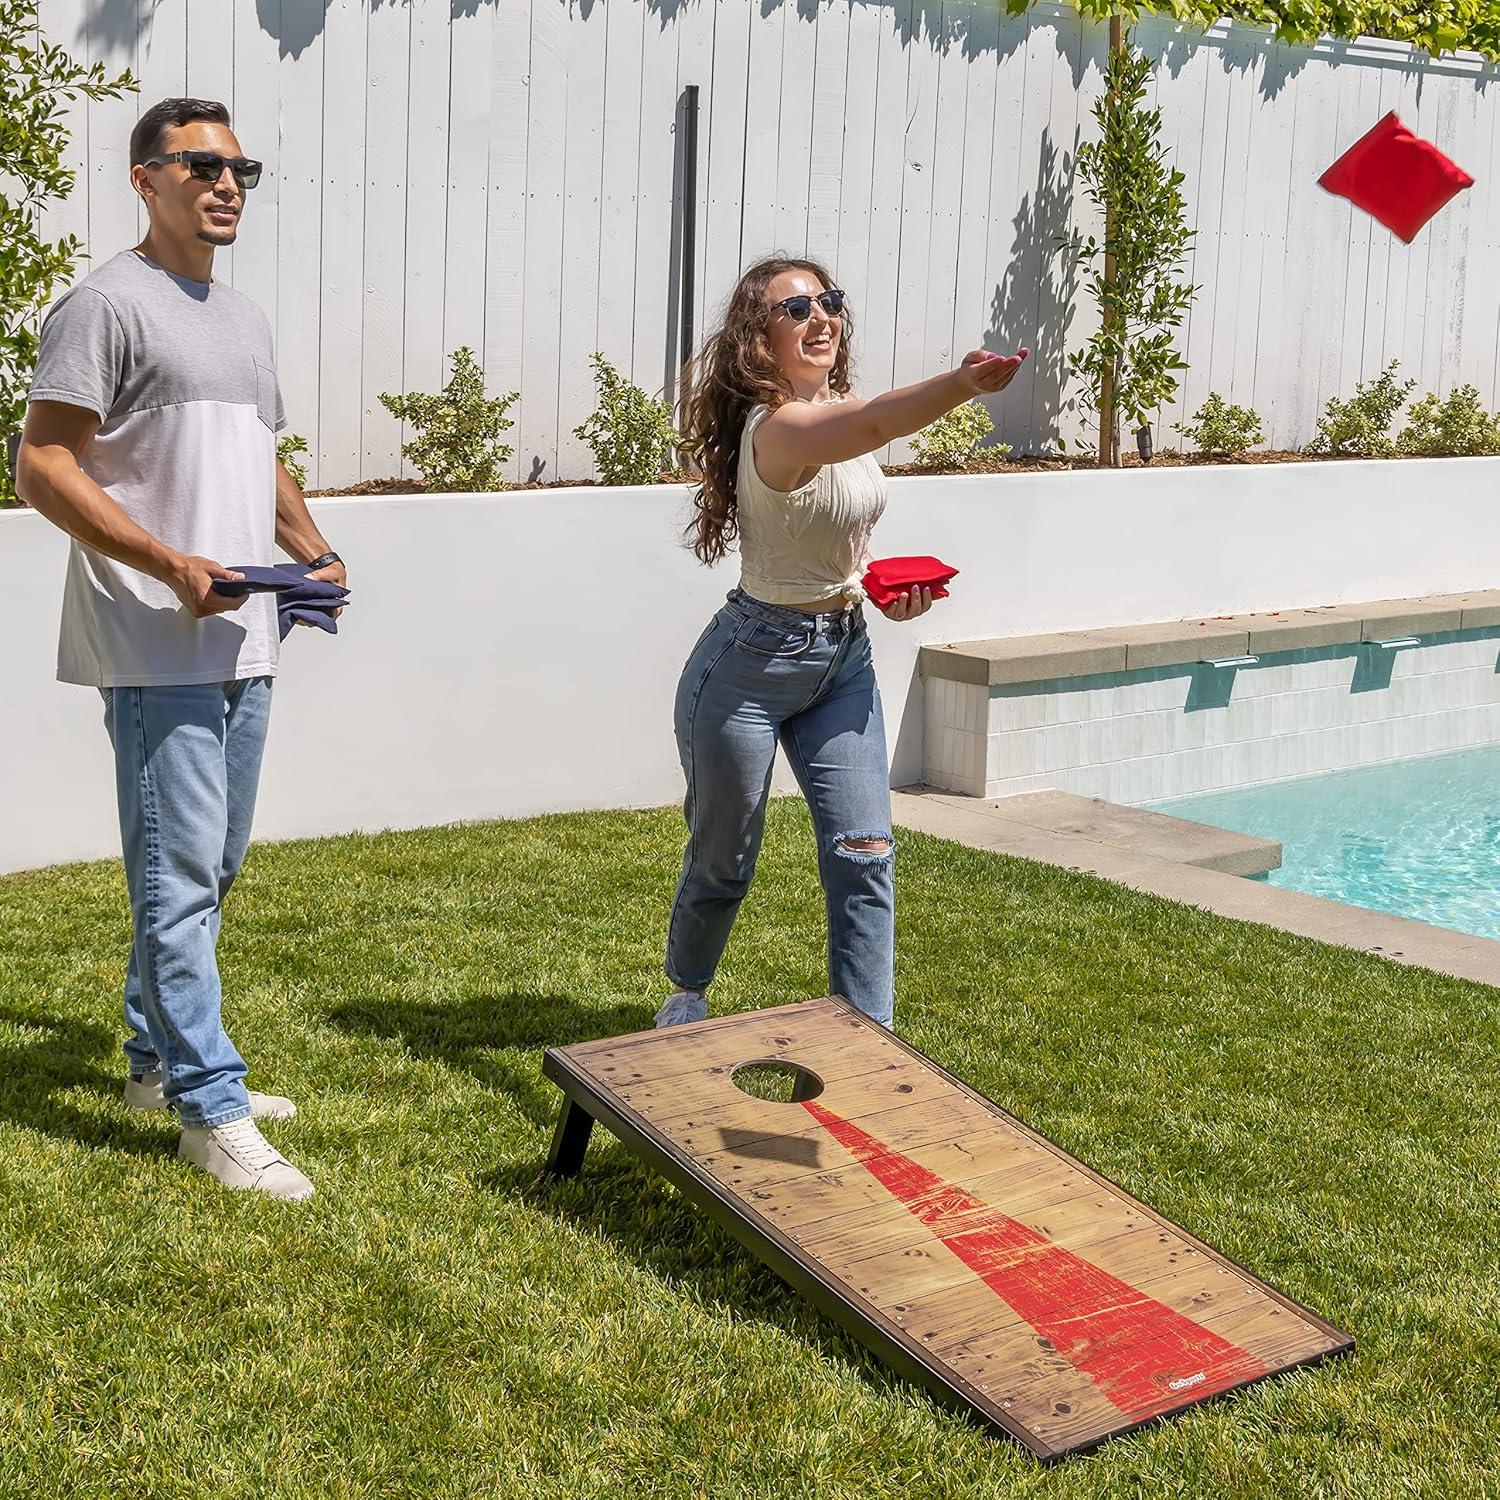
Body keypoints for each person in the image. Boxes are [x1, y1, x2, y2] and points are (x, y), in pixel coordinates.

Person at [16, 98, 346, 1201]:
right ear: (144, 178)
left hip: (246, 629)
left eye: (242, 166)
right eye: (203, 164)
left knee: (207, 868)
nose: (227, 182)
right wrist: (168, 565)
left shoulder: (239, 317)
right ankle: (211, 1107)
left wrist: (313, 546)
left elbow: (257, 459)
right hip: (156, 634)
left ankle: (155, 1067)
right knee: (177, 879)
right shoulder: (104, 306)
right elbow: (44, 466)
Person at [659, 256, 1027, 1030]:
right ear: (758, 339)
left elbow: (840, 518)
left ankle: (870, 1036)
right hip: (749, 667)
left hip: (841, 657)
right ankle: (687, 992)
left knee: (866, 851)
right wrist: (962, 383)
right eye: (796, 309)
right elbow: (869, 426)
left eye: (828, 301)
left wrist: (881, 591)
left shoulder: (834, 413)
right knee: (725, 855)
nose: (820, 316)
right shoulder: (781, 426)